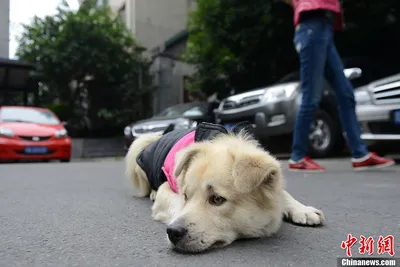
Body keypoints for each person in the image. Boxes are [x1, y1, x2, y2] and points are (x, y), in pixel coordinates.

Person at [283, 0, 395, 171]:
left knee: (346, 94)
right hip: (311, 25)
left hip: (323, 26)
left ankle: (360, 154)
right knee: (311, 96)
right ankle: (298, 156)